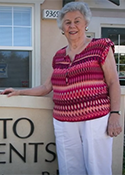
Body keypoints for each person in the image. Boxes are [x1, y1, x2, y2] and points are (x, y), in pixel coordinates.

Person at [1, 2, 122, 175]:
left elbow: (113, 82)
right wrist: (19, 91)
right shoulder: (58, 55)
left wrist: (115, 114)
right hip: (64, 120)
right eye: (67, 22)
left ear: (85, 23)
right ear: (62, 27)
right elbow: (46, 87)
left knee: (98, 168)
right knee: (70, 169)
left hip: (95, 119)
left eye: (77, 21)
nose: (72, 26)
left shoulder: (100, 47)